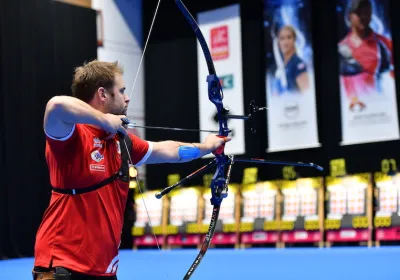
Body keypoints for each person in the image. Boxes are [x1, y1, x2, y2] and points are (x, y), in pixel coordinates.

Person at [32, 60, 229, 280]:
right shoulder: (72, 135)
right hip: (63, 266)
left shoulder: (121, 142)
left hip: (103, 270)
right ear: (102, 94)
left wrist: (207, 147)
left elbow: (168, 150)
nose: (127, 97)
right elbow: (56, 105)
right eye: (122, 91)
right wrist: (103, 119)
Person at [338, 0, 394, 111]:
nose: (364, 16)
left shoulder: (385, 44)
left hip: (380, 111)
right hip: (351, 114)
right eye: (359, 13)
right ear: (350, 16)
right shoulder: (339, 49)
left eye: (367, 12)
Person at [274, 25, 309, 94]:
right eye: (282, 38)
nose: (285, 42)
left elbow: (306, 92)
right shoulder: (282, 67)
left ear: (294, 40)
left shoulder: (298, 63)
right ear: (279, 42)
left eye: (289, 37)